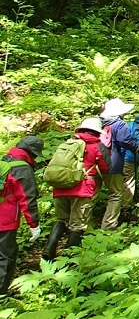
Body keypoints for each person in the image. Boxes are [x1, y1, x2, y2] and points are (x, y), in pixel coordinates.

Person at [47, 117, 109, 258]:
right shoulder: (97, 146)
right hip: (82, 190)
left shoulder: (68, 144)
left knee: (62, 219)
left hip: (60, 187)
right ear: (97, 132)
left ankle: (49, 250)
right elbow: (106, 167)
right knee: (78, 225)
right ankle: (68, 259)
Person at [0, 137, 42, 295]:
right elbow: (27, 199)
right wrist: (34, 225)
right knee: (6, 256)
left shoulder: (3, 161)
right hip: (5, 220)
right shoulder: (22, 169)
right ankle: (1, 294)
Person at [99, 97, 135, 230]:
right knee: (115, 194)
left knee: (92, 195)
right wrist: (136, 147)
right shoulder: (119, 124)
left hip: (94, 163)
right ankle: (108, 226)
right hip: (113, 163)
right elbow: (125, 141)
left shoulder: (99, 123)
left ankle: (81, 227)